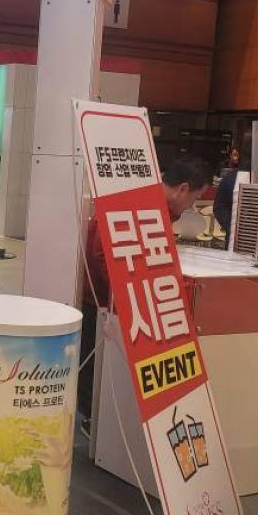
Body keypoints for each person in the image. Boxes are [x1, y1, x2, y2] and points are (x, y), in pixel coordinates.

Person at [78, 156, 212, 435]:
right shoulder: (139, 202)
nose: (192, 206)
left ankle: (103, 424)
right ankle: (95, 422)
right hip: (100, 299)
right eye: (195, 198)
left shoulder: (158, 206)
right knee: (94, 364)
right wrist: (128, 295)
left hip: (115, 299)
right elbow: (102, 255)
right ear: (183, 189)